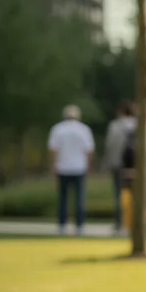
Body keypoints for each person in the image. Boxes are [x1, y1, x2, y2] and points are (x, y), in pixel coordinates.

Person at [48, 104, 95, 235]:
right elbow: (89, 150)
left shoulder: (57, 129)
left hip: (62, 167)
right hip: (79, 168)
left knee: (62, 199)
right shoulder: (84, 130)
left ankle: (62, 225)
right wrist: (88, 166)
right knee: (79, 199)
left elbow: (52, 150)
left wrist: (53, 166)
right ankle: (79, 225)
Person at [102, 100, 137, 234]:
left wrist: (106, 164)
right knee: (136, 195)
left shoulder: (115, 126)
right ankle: (136, 222)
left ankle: (119, 223)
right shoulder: (139, 125)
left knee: (118, 195)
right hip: (136, 167)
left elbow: (110, 146)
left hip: (119, 165)